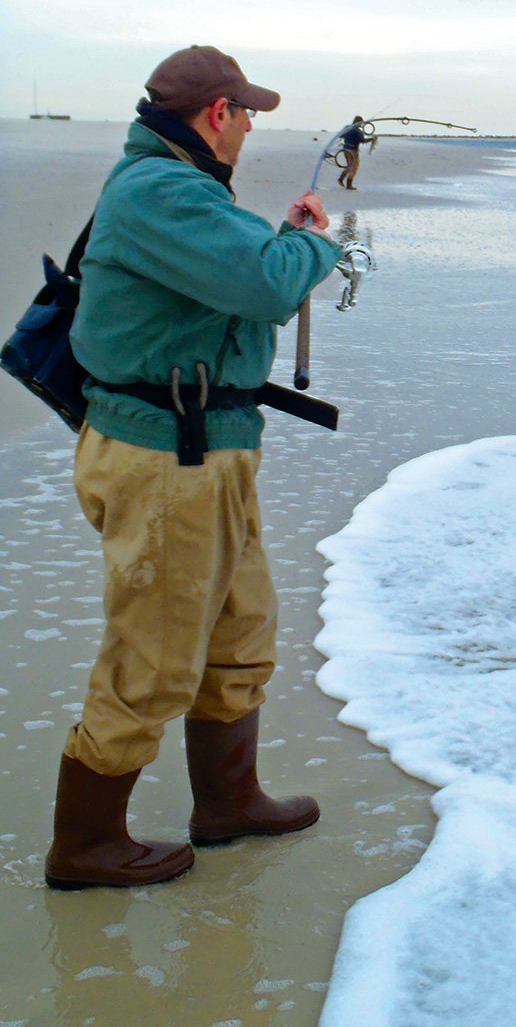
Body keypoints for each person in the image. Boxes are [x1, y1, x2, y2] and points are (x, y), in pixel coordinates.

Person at [45, 45, 343, 890]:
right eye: (247, 112)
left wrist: (284, 242)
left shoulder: (174, 188)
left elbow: (245, 271)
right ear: (218, 115)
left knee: (239, 633)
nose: (249, 125)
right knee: (153, 658)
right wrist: (311, 242)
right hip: (165, 458)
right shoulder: (163, 192)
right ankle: (86, 844)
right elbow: (266, 283)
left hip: (207, 450)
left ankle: (228, 803)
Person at [337, 115, 375, 191]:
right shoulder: (358, 131)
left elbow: (340, 135)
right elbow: (362, 141)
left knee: (349, 165)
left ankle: (341, 179)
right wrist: (372, 139)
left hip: (345, 149)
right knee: (354, 167)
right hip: (352, 150)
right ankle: (349, 185)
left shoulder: (347, 128)